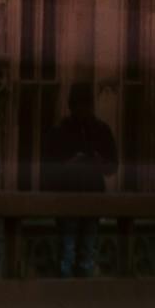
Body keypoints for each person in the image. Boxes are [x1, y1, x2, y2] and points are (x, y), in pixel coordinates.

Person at [41, 76, 120, 280]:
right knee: (69, 253)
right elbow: (48, 170)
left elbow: (112, 167)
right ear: (72, 106)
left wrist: (97, 162)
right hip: (69, 200)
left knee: (85, 252)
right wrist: (72, 164)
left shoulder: (100, 130)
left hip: (91, 200)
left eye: (87, 105)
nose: (85, 110)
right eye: (81, 105)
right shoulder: (60, 131)